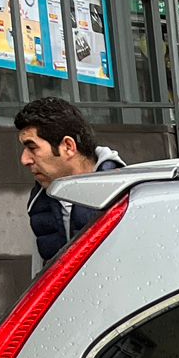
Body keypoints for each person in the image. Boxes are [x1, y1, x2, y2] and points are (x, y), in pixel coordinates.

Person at [15, 97, 124, 270]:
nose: (24, 159)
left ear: (68, 146)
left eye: (32, 147)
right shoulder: (40, 204)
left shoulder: (128, 196)